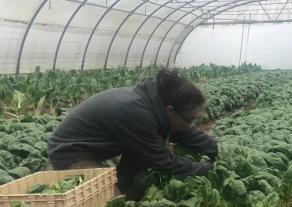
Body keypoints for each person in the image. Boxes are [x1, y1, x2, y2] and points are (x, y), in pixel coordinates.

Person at [46, 68, 219, 199]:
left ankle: (128, 191)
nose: (190, 124)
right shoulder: (138, 112)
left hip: (90, 149)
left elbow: (185, 132)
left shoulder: (154, 103)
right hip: (70, 152)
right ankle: (123, 194)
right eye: (189, 119)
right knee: (111, 206)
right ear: (170, 110)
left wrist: (218, 150)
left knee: (141, 154)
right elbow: (163, 161)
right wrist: (206, 169)